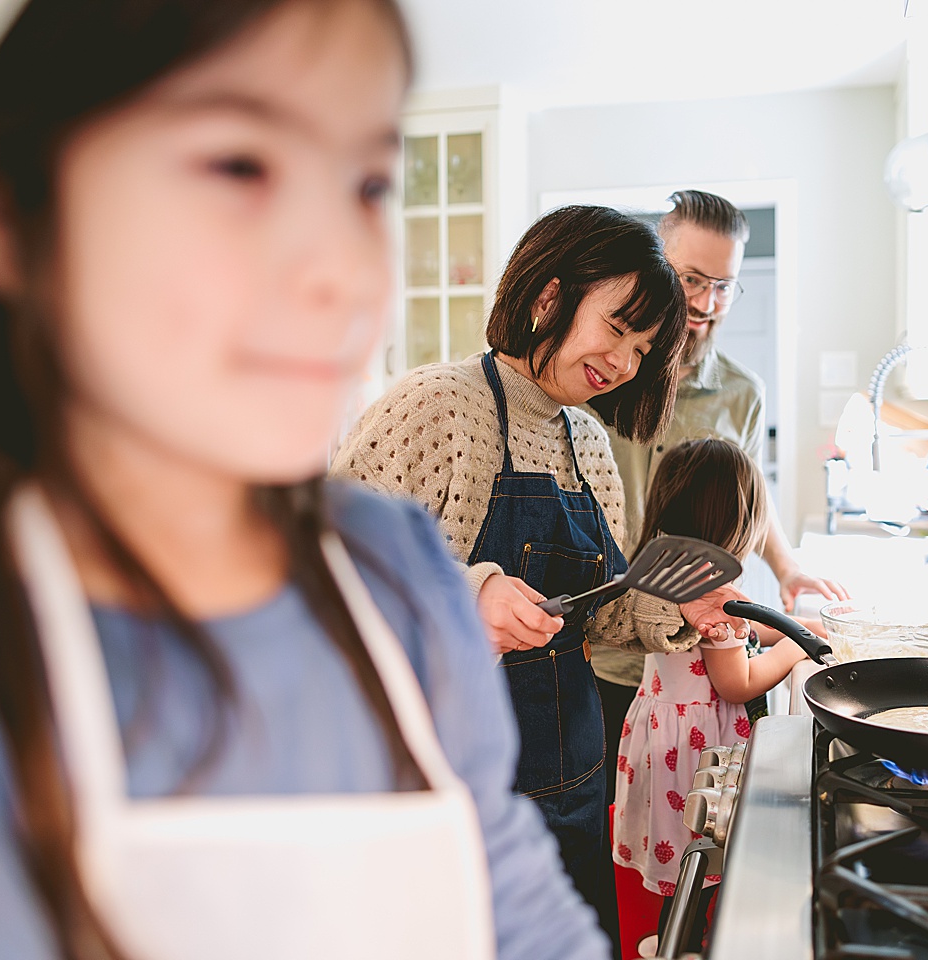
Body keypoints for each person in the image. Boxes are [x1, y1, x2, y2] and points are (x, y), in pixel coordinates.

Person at [0, 1, 611, 958]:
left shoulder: (394, 571)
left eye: (368, 184)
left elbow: (514, 909)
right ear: (1, 211)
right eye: (239, 165)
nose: (342, 269)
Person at [332, 205, 751, 946]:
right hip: (454, 795)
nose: (624, 364)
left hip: (574, 781)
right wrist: (471, 592)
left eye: (644, 348)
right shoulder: (437, 406)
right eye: (618, 330)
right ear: (548, 297)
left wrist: (685, 604)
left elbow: (611, 615)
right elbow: (329, 567)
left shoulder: (587, 440)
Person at [592, 189, 849, 776]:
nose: (708, 302)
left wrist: (787, 570)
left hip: (706, 643)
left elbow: (749, 500)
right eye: (692, 279)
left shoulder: (743, 394)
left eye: (725, 285)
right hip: (611, 652)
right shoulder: (605, 373)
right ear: (657, 264)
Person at [612, 439, 819, 950]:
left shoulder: (671, 568)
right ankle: (683, 944)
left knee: (687, 869)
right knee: (699, 862)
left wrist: (795, 627)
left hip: (668, 737)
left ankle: (674, 937)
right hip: (696, 749)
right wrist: (796, 648)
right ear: (741, 520)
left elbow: (742, 634)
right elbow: (737, 680)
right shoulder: (708, 587)